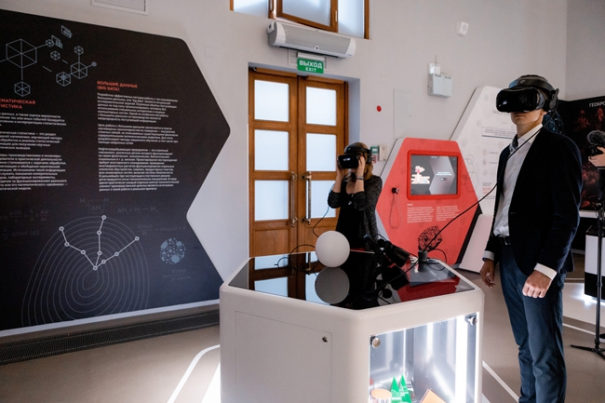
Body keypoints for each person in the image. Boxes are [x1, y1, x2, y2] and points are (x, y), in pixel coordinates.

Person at [480, 75, 582, 403]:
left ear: (545, 106)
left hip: (538, 262)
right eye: (516, 100)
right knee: (524, 345)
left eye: (530, 100)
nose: (520, 108)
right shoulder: (506, 153)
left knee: (544, 350)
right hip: (509, 257)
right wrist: (490, 254)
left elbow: (567, 216)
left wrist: (546, 269)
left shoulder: (559, 148)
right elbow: (503, 208)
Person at [328, 142, 382, 250]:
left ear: (365, 160)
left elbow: (361, 205)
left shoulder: (374, 182)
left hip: (364, 237)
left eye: (354, 158)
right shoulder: (345, 181)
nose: (351, 162)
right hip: (343, 235)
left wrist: (359, 175)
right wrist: (339, 176)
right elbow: (333, 203)